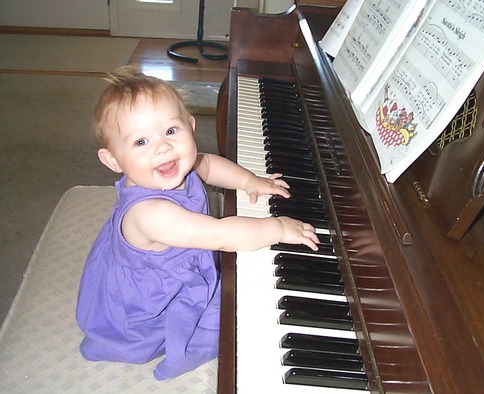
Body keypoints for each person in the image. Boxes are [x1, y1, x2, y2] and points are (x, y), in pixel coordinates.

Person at [76, 66, 320, 381]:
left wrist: (249, 182)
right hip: (147, 306)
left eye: (170, 131)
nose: (162, 147)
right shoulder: (150, 215)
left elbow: (208, 165)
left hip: (170, 260)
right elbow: (221, 235)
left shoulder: (180, 165)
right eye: (140, 142)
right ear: (113, 160)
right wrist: (278, 228)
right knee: (236, 320)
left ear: (190, 127)